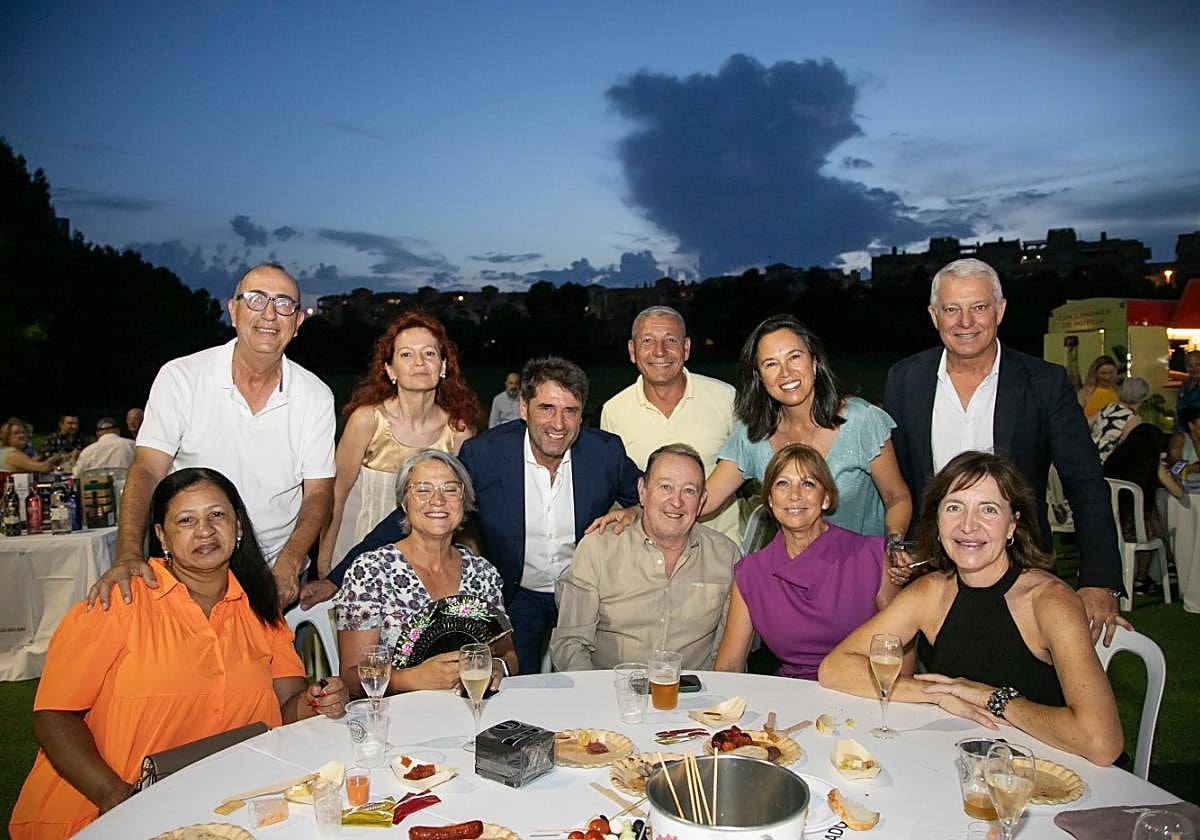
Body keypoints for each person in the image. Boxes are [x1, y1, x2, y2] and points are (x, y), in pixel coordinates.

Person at [8, 467, 349, 840]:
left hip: (213, 809)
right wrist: (113, 794)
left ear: (238, 528)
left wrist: (320, 700)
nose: (204, 531)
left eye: (217, 515)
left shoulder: (260, 610)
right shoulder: (120, 601)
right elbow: (54, 714)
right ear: (161, 536)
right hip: (100, 811)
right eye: (186, 520)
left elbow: (286, 708)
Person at [329, 356, 641, 675]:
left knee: (593, 683)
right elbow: (419, 511)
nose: (558, 424)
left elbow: (650, 496)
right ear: (523, 409)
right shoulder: (485, 455)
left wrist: (634, 510)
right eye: (546, 408)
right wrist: (333, 579)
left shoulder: (605, 453)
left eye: (570, 411)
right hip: (519, 594)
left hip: (582, 593)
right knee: (516, 684)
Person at [818, 452, 1123, 766]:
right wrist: (937, 693)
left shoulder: (1049, 601)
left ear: (1012, 525)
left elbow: (1102, 742)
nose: (968, 525)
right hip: (961, 762)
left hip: (1048, 770)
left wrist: (993, 698)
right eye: (954, 507)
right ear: (937, 522)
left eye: (988, 509)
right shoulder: (931, 592)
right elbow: (834, 669)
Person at [883, 257, 1125, 643]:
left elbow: (1085, 483)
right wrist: (899, 546)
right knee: (934, 679)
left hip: (1022, 571)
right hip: (933, 574)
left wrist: (1100, 579)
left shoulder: (1044, 382)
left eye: (979, 307)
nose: (965, 322)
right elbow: (898, 482)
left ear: (1000, 310)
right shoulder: (904, 379)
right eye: (952, 309)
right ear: (934, 315)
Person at [88, 263, 335, 610]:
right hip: (190, 574)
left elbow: (319, 493)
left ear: (296, 323)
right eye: (256, 299)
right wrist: (128, 553)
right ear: (233, 310)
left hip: (273, 574)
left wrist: (291, 562)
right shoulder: (181, 377)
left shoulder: (315, 395)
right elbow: (147, 469)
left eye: (283, 303)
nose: (269, 313)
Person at [704, 314, 910, 539]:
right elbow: (705, 500)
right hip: (796, 559)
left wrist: (892, 545)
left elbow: (896, 497)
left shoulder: (861, 421)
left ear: (814, 362)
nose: (785, 373)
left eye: (794, 357)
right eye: (771, 364)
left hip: (863, 558)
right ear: (759, 376)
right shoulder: (753, 433)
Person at [315, 312, 478, 586]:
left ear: (443, 366)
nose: (419, 362)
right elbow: (336, 496)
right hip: (357, 554)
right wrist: (325, 564)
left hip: (425, 564)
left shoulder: (458, 433)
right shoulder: (366, 421)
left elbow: (460, 508)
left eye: (429, 353)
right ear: (390, 370)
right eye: (406, 354)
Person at [336, 449, 517, 693]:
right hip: (396, 711)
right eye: (422, 490)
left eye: (450, 489)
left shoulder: (482, 574)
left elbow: (509, 656)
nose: (437, 500)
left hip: (470, 706)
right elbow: (351, 677)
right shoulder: (370, 572)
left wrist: (496, 667)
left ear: (463, 501)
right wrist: (411, 679)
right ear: (404, 502)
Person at [714, 444, 899, 679]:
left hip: (863, 688)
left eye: (808, 484)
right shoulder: (751, 573)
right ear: (770, 499)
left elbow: (900, 644)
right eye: (782, 484)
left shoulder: (872, 556)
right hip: (792, 694)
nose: (795, 495)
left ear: (826, 498)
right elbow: (729, 666)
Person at [551, 443, 739, 671]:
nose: (676, 501)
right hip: (611, 687)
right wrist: (595, 690)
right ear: (642, 490)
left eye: (689, 491)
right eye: (665, 487)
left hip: (693, 690)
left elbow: (729, 654)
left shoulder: (725, 557)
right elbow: (570, 643)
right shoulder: (599, 549)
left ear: (701, 500)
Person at [600, 306, 740, 541]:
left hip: (720, 546)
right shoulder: (614, 411)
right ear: (632, 350)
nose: (659, 351)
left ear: (686, 348)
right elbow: (616, 488)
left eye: (670, 340)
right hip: (647, 552)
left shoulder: (725, 399)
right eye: (647, 341)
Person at [1106, 424, 1183, 596]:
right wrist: (1172, 475)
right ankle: (1142, 577)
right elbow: (1178, 493)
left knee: (1152, 517)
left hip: (1111, 522)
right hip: (1134, 528)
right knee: (1152, 524)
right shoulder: (1151, 464)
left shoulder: (1115, 459)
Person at [1090, 377, 1148, 464]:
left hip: (1088, 457)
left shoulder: (1110, 407)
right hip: (1106, 464)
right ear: (1143, 397)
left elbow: (1086, 424)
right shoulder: (1133, 419)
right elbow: (1128, 450)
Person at [0, 417, 68, 473]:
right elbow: (43, 467)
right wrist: (55, 457)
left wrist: (39, 459)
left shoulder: (6, 451)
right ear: (7, 437)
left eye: (24, 432)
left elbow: (26, 465)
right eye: (16, 433)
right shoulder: (13, 454)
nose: (22, 435)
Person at [1175, 350, 1200, 431]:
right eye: (1190, 365)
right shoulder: (1185, 383)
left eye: (1198, 365)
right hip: (1182, 430)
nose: (1194, 369)